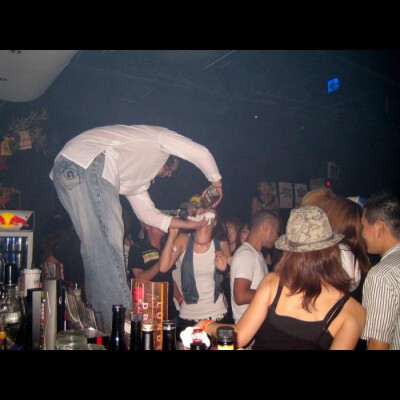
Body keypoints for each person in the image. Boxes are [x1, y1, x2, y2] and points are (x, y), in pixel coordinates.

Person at [50, 124, 223, 333]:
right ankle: (122, 323)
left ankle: (100, 325)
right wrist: (216, 183)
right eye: (170, 169)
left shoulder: (134, 181)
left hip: (66, 169)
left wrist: (190, 224)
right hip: (91, 161)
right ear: (166, 158)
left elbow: (148, 214)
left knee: (95, 249)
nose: (169, 175)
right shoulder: (159, 138)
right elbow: (200, 153)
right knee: (107, 246)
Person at [197, 206, 366, 350]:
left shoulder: (273, 283)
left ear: (289, 253)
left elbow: (239, 337)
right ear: (332, 250)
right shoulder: (353, 312)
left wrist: (204, 325)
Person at [159, 208, 231, 344]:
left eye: (209, 210)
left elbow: (230, 273)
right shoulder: (183, 239)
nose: (205, 212)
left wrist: (224, 269)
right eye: (201, 210)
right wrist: (172, 235)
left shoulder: (221, 244)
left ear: (215, 222)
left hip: (216, 313)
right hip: (188, 315)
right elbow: (163, 267)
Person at [361, 191, 400, 350]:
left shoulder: (381, 275)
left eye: (363, 226)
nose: (362, 233)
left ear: (378, 227)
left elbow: (378, 345)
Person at [230, 210, 280, 323]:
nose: (277, 236)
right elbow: (241, 296)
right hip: (247, 325)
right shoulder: (246, 255)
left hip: (255, 323)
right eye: (276, 231)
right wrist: (273, 294)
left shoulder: (257, 254)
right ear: (266, 227)